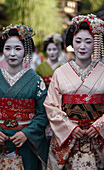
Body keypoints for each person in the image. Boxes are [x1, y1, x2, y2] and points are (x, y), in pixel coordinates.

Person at [44, 14, 104, 169]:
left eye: (88, 42)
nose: (82, 46)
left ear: (95, 44)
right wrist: (70, 127)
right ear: (72, 42)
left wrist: (99, 125)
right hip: (69, 138)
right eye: (78, 41)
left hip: (97, 138)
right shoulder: (60, 73)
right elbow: (51, 105)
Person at [0, 24, 49, 170]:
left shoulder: (36, 80)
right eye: (7, 48)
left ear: (25, 51)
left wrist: (27, 133)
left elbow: (43, 114)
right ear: (2, 49)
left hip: (26, 142)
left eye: (17, 49)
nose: (12, 54)